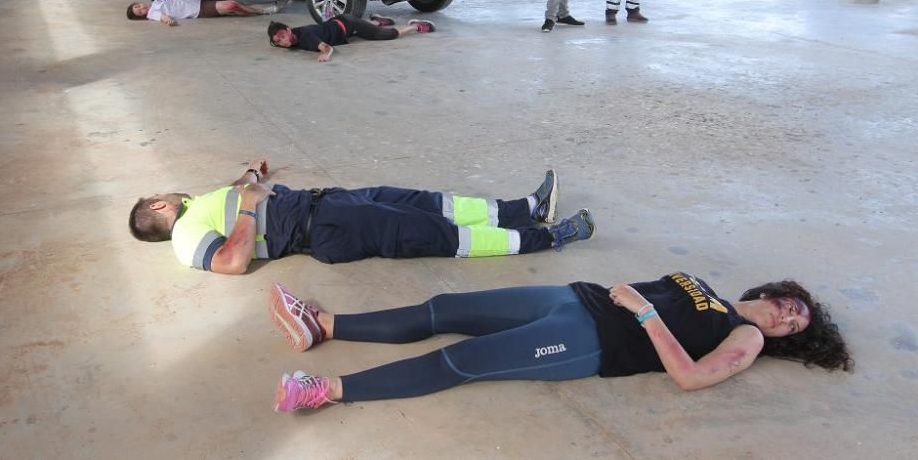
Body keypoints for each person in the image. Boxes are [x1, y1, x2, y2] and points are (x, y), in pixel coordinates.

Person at [269, 273, 852, 412]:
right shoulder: (712, 291)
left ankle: (326, 390)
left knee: (463, 359)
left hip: (593, 341)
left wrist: (647, 314)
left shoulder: (743, 335)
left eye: (797, 328)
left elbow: (693, 377)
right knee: (449, 310)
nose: (788, 319)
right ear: (778, 290)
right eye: (793, 307)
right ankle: (327, 325)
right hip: (575, 298)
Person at [128, 162, 596, 274]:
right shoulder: (184, 238)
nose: (167, 192)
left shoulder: (194, 208)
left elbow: (234, 201)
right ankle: (547, 238)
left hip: (328, 204)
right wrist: (251, 204)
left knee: (427, 202)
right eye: (159, 195)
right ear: (158, 208)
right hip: (326, 229)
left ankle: (527, 209)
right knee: (434, 233)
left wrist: (249, 177)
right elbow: (232, 261)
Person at [268, 14, 435, 63]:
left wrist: (326, 54)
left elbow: (326, 47)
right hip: (341, 24)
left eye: (283, 36)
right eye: (279, 41)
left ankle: (414, 25)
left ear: (288, 30)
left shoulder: (305, 36)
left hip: (348, 25)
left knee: (387, 35)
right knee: (369, 29)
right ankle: (378, 21)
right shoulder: (294, 36)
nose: (283, 42)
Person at [126, 0, 287, 26]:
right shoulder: (153, 13)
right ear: (142, 16)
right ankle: (265, 11)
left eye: (137, 6)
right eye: (139, 12)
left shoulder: (155, 2)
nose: (141, 8)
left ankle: (271, 1)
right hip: (199, 9)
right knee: (231, 5)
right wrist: (167, 20)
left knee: (235, 1)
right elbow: (162, 18)